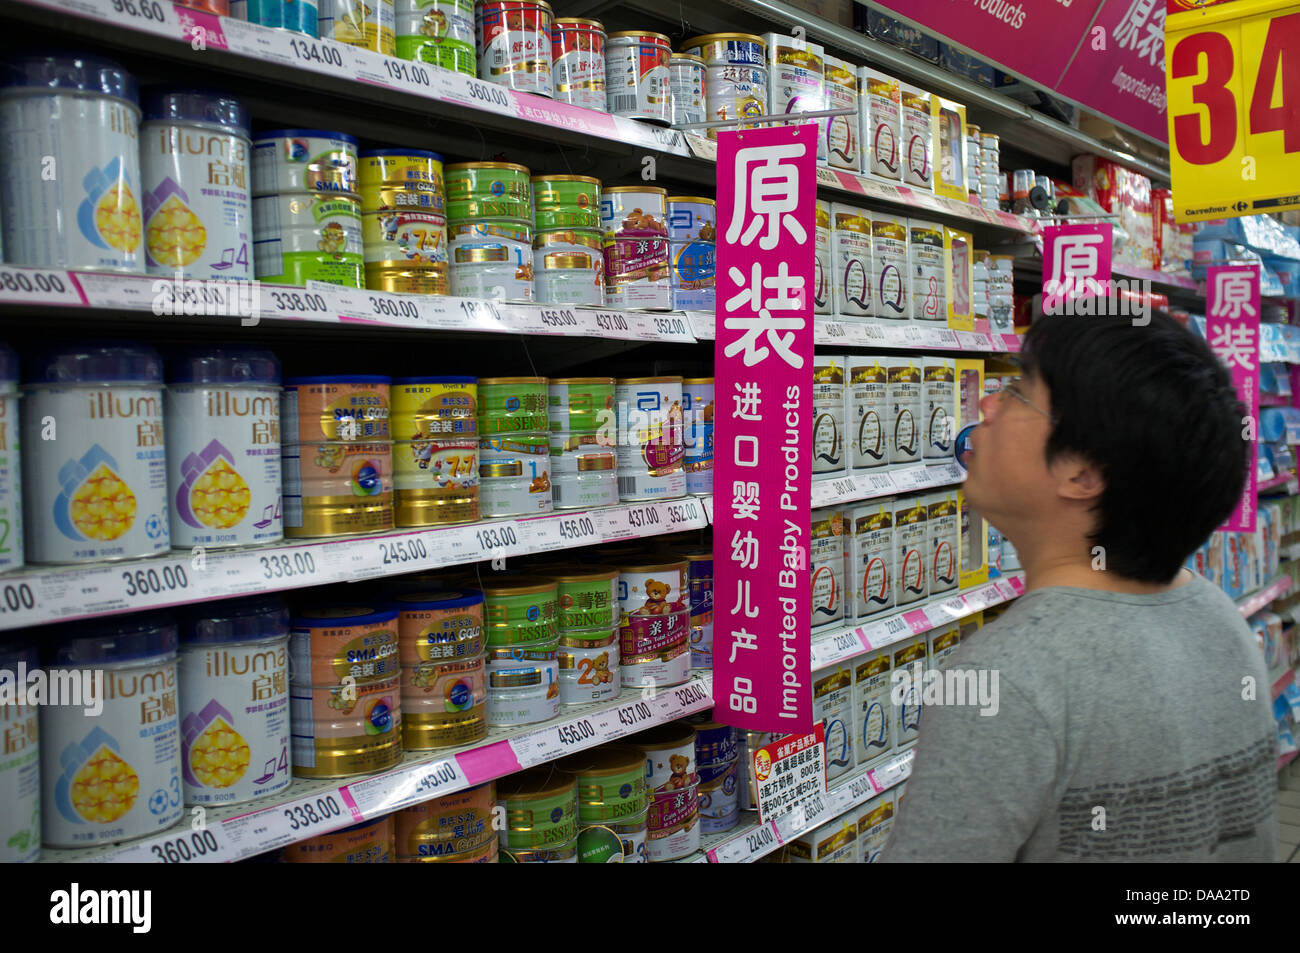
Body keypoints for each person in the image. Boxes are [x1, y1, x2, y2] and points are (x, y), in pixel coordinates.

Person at [880, 311, 1278, 862]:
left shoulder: (1008, 679)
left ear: (1082, 474)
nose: (988, 406)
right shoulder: (1218, 618)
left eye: (1018, 391)